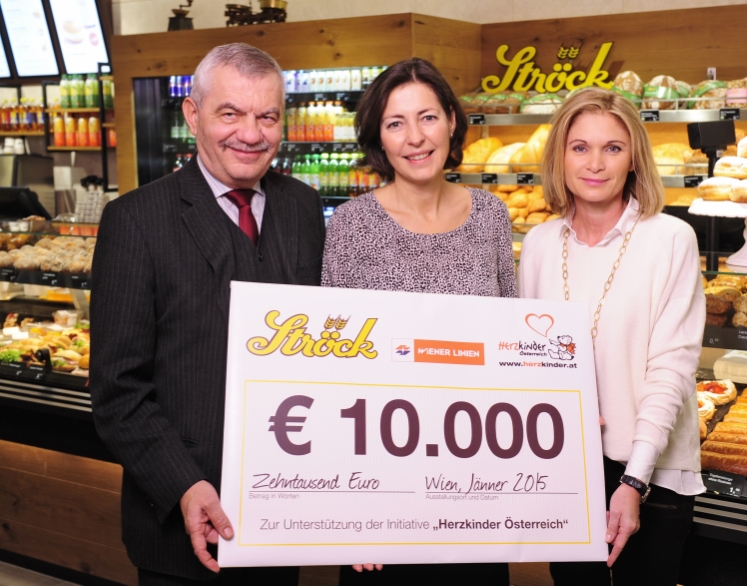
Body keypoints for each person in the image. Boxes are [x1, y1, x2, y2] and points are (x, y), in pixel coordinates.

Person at [90, 43, 325, 586]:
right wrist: (183, 484)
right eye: (230, 113)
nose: (251, 133)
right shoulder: (135, 221)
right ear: (193, 115)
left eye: (267, 116)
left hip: (282, 518)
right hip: (182, 529)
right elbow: (116, 390)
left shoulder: (303, 207)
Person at [322, 57, 515, 585]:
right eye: (395, 123)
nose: (415, 138)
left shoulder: (492, 216)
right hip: (381, 494)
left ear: (452, 120)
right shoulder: (350, 224)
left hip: (477, 484)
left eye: (427, 117)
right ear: (378, 139)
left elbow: (512, 347)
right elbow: (332, 374)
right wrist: (349, 508)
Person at [518, 87, 706, 586]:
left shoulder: (670, 239)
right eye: (580, 147)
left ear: (634, 159)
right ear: (559, 155)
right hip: (564, 469)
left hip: (653, 470)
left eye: (613, 148)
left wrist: (632, 481)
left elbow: (672, 369)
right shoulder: (537, 244)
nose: (595, 163)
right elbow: (526, 360)